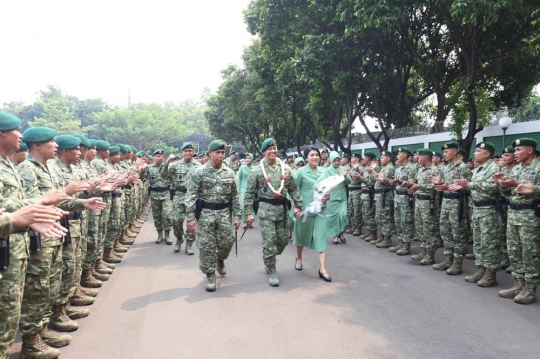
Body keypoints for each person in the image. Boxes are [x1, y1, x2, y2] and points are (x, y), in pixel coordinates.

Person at [244, 138, 302, 287]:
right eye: (269, 149)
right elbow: (249, 193)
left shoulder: (286, 169)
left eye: (275, 148)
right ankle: (271, 269)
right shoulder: (256, 171)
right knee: (269, 242)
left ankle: (268, 257)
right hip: (265, 211)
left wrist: (298, 206)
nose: (273, 151)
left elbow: (294, 188)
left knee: (282, 242)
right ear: (264, 151)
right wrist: (248, 213)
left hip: (282, 211)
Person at [185, 140, 241, 292]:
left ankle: (220, 258)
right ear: (210, 153)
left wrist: (237, 216)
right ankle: (210, 275)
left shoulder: (229, 173)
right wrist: (190, 218)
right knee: (206, 246)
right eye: (218, 152)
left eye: (223, 153)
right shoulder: (200, 172)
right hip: (205, 214)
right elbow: (190, 196)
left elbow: (235, 196)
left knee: (227, 242)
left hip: (224, 213)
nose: (221, 155)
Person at [450, 142, 502, 287]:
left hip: (488, 211)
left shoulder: (493, 168)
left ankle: (491, 274)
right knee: (478, 243)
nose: (474, 153)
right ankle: (481, 269)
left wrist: (469, 185)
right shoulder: (479, 169)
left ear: (487, 154)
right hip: (477, 210)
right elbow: (475, 190)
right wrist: (462, 188)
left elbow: (493, 187)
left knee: (489, 243)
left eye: (478, 151)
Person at [495, 138, 540, 304]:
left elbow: (531, 189)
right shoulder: (516, 169)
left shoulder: (538, 167)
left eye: (518, 150)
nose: (515, 154)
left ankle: (530, 289)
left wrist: (533, 189)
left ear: (529, 150)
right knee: (514, 251)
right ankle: (518, 284)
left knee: (530, 253)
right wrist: (503, 185)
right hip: (513, 214)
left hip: (530, 216)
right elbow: (509, 193)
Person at [429, 141, 472, 275]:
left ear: (455, 152)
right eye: (444, 152)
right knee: (445, 232)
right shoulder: (445, 168)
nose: (444, 154)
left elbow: (469, 188)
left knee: (458, 234)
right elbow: (444, 184)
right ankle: (448, 260)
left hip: (458, 205)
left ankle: (457, 264)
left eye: (447, 152)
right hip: (446, 203)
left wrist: (451, 187)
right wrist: (440, 183)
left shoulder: (463, 168)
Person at [293, 146, 331, 281]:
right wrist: (296, 207)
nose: (315, 157)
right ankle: (299, 258)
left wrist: (326, 197)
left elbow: (327, 189)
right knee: (301, 235)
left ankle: (323, 269)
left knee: (321, 237)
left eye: (317, 155)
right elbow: (293, 191)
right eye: (311, 155)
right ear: (306, 158)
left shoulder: (324, 171)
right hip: (305, 211)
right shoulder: (300, 172)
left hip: (321, 210)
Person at [163, 142, 201, 254]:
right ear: (182, 152)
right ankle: (179, 239)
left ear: (193, 152)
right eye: (186, 151)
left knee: (191, 221)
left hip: (193, 197)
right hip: (179, 196)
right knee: (175, 221)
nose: (188, 153)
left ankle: (189, 245)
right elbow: (165, 176)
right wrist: (167, 162)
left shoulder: (199, 166)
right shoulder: (175, 165)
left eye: (190, 151)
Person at [408, 149, 440, 261]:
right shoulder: (421, 169)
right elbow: (416, 183)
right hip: (419, 201)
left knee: (429, 229)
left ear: (425, 158)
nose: (417, 159)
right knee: (420, 228)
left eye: (419, 157)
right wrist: (411, 184)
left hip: (429, 203)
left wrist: (420, 186)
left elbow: (436, 187)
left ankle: (430, 254)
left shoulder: (434, 170)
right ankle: (424, 251)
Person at [141, 149, 172, 244]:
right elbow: (142, 178)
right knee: (157, 216)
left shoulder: (168, 167)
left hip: (166, 193)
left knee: (167, 214)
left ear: (163, 157)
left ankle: (167, 235)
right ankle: (160, 234)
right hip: (154, 194)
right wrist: (142, 170)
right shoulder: (149, 168)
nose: (157, 158)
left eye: (159, 156)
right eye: (155, 156)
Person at [389, 147, 416, 254]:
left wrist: (400, 181)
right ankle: (401, 242)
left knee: (406, 221)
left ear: (405, 155)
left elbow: (413, 183)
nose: (397, 156)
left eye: (399, 154)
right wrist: (394, 182)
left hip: (406, 197)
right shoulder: (398, 168)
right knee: (398, 221)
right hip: (397, 197)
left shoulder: (412, 168)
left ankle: (406, 245)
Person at [325, 151, 351, 244]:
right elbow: (327, 183)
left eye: (338, 160)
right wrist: (337, 177)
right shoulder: (327, 170)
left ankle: (341, 232)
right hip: (332, 197)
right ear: (331, 161)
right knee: (334, 218)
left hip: (342, 197)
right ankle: (335, 236)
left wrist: (344, 176)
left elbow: (349, 181)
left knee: (343, 216)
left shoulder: (343, 168)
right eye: (335, 161)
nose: (337, 162)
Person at [372, 150, 395, 248]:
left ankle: (387, 239)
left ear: (388, 158)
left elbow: (384, 181)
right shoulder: (384, 168)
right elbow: (377, 178)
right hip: (379, 195)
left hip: (384, 196)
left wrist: (374, 172)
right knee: (379, 217)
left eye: (382, 157)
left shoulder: (389, 168)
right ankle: (382, 236)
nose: (380, 159)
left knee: (385, 217)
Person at [347, 154, 363, 236]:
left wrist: (350, 173)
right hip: (351, 191)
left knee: (357, 210)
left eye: (353, 158)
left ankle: (358, 228)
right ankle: (353, 226)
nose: (351, 159)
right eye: (351, 157)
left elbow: (358, 177)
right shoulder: (352, 167)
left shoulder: (360, 167)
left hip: (357, 191)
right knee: (351, 209)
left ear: (357, 159)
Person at [236, 153, 253, 229]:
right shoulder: (242, 168)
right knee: (243, 206)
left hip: (252, 189)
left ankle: (250, 220)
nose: (248, 159)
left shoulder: (254, 168)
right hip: (243, 188)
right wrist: (238, 189)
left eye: (249, 158)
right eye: (247, 158)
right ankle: (245, 222)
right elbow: (239, 179)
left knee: (251, 205)